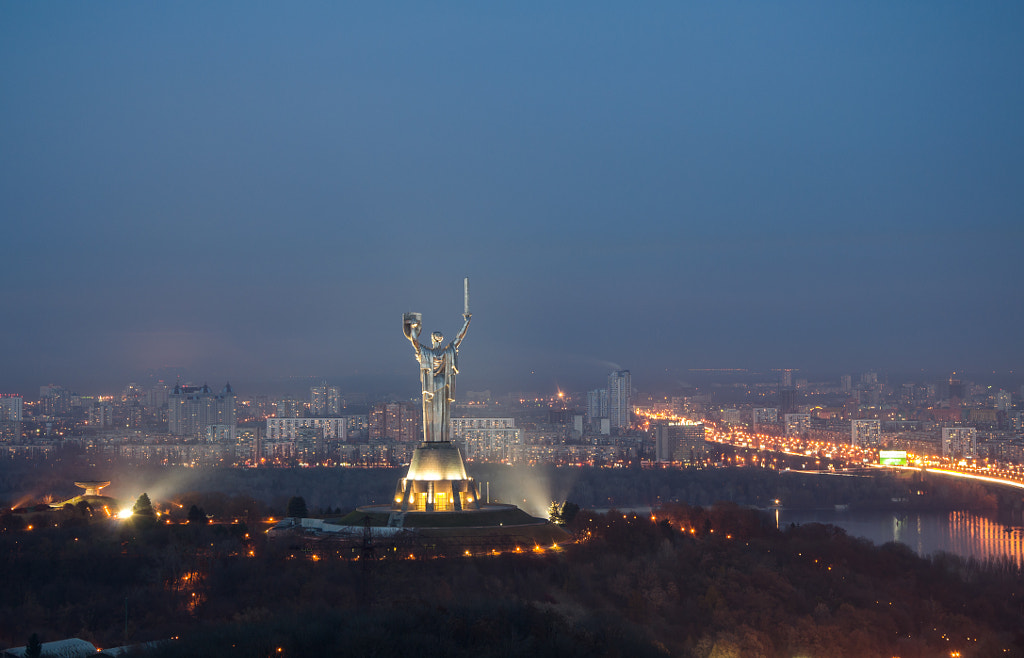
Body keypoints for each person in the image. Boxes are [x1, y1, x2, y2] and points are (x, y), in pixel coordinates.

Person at [403, 310, 470, 442]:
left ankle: (431, 441)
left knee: (431, 414)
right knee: (443, 414)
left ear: (433, 339)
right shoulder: (447, 352)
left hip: (431, 386)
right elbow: (459, 337)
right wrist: (467, 322)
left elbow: (415, 342)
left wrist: (413, 328)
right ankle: (441, 440)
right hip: (443, 385)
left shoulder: (427, 353)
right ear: (441, 339)